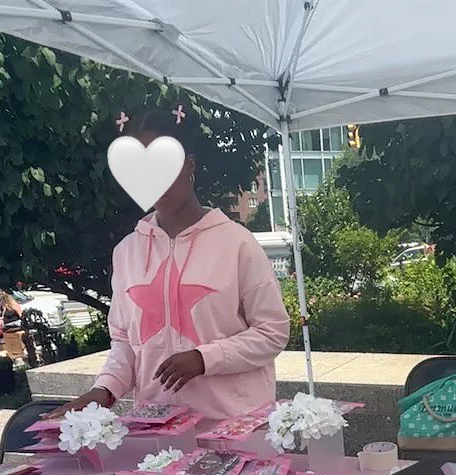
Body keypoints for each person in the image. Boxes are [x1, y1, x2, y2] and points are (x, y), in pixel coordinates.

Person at [48, 108, 289, 419]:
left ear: (189, 164)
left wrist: (205, 358)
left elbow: (272, 332)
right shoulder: (127, 252)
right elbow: (124, 340)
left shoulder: (237, 243)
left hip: (233, 430)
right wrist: (104, 390)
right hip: (158, 435)